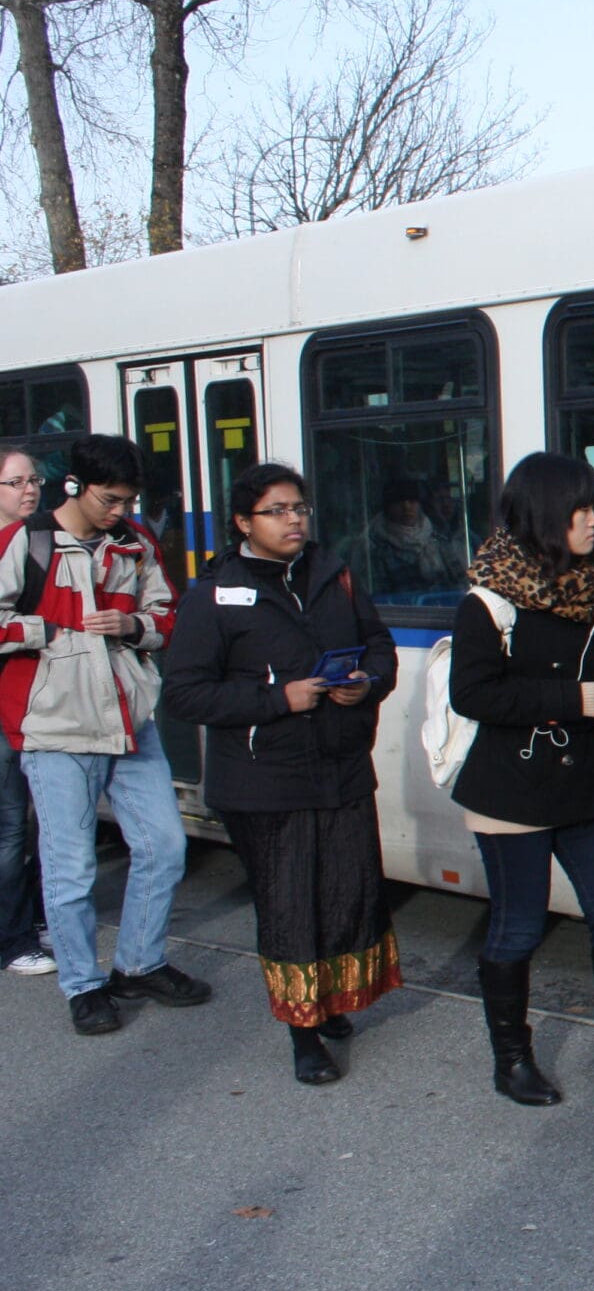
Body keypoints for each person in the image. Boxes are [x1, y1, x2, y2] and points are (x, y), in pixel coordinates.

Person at [161, 464, 400, 1084]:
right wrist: (277, 700)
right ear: (244, 523)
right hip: (264, 780)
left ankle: (331, 1002)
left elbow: (378, 646)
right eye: (279, 511)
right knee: (291, 905)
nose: (295, 520)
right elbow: (185, 695)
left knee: (348, 893)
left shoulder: (335, 574)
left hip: (341, 766)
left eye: (300, 508)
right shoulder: (215, 593)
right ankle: (303, 1032)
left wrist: (365, 683)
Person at [446, 452, 594, 1107]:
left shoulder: (590, 586)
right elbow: (473, 693)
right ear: (546, 514)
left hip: (582, 782)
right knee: (519, 926)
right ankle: (511, 1059)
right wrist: (572, 699)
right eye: (583, 509)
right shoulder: (487, 601)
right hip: (510, 789)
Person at [0, 433, 207, 1035]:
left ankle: (139, 964)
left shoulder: (135, 542)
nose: (121, 511)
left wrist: (134, 625)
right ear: (76, 486)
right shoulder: (27, 539)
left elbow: (168, 617)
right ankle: (83, 985)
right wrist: (43, 630)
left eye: (129, 500)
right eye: (111, 500)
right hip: (55, 727)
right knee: (70, 870)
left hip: (128, 720)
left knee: (166, 846)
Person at [0, 447, 48, 977]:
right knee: (11, 822)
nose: (29, 490)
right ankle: (12, 939)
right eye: (15, 482)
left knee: (36, 821)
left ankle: (31, 917)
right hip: (4, 699)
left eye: (34, 479)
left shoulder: (39, 541)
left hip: (33, 697)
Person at [363, 474, 466, 599]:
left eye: (412, 501)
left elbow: (461, 581)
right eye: (399, 502)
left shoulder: (438, 539)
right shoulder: (376, 548)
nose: (407, 507)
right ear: (388, 507)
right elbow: (379, 595)